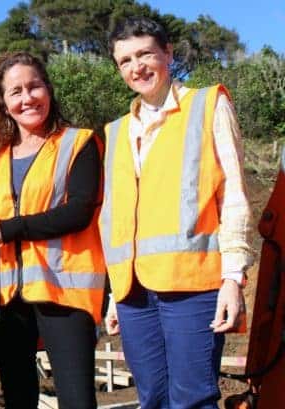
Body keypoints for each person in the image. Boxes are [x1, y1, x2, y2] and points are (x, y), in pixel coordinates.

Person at [101, 16, 253, 409]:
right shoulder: (116, 131)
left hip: (193, 287)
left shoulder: (208, 105)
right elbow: (116, 217)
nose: (137, 67)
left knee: (192, 398)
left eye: (145, 54)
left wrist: (233, 279)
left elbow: (233, 194)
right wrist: (115, 294)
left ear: (168, 53)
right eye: (125, 61)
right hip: (134, 293)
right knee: (151, 398)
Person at [0, 51, 106, 408]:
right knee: (17, 398)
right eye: (15, 91)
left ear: (48, 89)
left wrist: (8, 228)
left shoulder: (79, 143)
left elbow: (78, 212)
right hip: (6, 296)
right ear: (2, 101)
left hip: (65, 291)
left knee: (77, 400)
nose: (27, 98)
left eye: (34, 87)